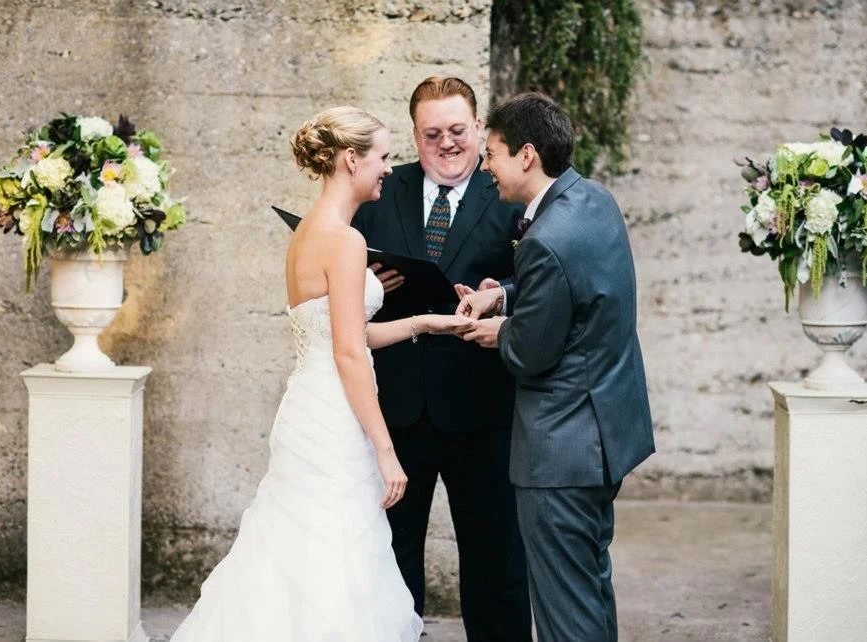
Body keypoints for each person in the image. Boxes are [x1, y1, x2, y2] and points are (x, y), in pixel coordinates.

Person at [171, 106, 471, 641]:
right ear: (352, 159)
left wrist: (426, 321)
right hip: (335, 417)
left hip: (308, 407)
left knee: (297, 549)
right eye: (382, 157)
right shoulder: (346, 240)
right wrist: (385, 448)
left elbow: (346, 335)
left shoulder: (309, 232)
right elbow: (350, 354)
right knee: (335, 555)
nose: (387, 168)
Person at [457, 92, 656, 642]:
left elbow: (529, 353)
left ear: (525, 155)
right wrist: (505, 295)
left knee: (564, 611)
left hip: (561, 456)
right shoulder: (592, 200)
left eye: (491, 152)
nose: (484, 165)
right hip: (605, 436)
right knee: (588, 588)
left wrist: (499, 331)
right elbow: (579, 288)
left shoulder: (543, 238)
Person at [352, 76, 532, 641]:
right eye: (433, 134)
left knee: (495, 557)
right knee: (392, 555)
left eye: (458, 130)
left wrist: (498, 289)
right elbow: (340, 276)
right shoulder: (383, 188)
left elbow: (541, 278)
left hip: (484, 409)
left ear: (479, 129)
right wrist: (366, 282)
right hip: (398, 409)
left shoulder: (506, 191)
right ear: (414, 135)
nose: (447, 143)